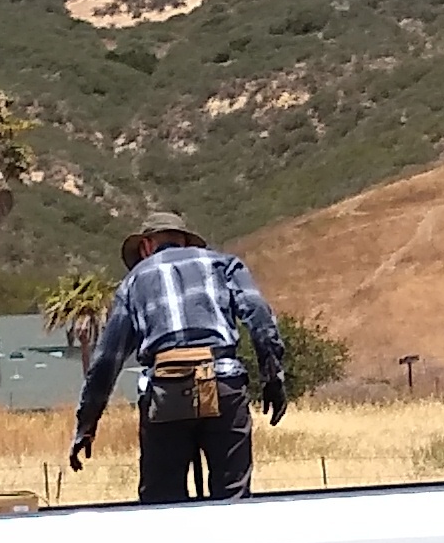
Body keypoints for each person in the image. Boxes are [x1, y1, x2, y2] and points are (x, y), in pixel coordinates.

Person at [69, 209, 289, 502]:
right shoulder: (223, 264)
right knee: (232, 494)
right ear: (184, 240)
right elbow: (259, 316)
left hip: (165, 392)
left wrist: (87, 423)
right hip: (222, 384)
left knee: (163, 500)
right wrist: (272, 378)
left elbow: (107, 360)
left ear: (146, 245)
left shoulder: (134, 281)